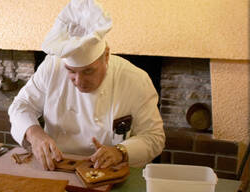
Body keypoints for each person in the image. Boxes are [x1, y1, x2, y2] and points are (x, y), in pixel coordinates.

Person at [9, 0, 165, 171]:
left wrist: (121, 152)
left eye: (88, 71)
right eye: (71, 71)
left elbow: (154, 137)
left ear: (106, 56)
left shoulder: (135, 80)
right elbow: (20, 106)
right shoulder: (51, 67)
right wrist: (34, 134)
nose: (79, 81)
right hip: (56, 166)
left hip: (107, 172)